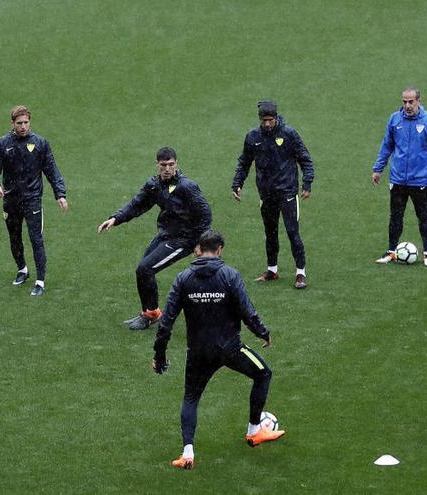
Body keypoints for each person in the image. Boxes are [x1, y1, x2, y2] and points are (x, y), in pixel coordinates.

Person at [153, 230, 284, 469]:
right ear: (220, 249)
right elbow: (247, 311)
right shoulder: (230, 275)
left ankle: (188, 452)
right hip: (230, 348)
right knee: (263, 373)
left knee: (191, 398)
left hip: (198, 353)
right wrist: (262, 332)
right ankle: (255, 430)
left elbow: (166, 322)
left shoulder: (183, 278)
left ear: (199, 249)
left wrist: (159, 356)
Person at [97, 147, 212, 330]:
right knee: (142, 270)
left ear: (176, 164)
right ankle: (151, 313)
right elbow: (136, 204)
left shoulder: (187, 186)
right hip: (166, 235)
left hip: (184, 240)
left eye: (171, 164)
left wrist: (200, 244)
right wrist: (115, 218)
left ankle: (150, 314)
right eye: (163, 165)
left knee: (146, 268)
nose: (167, 169)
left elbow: (205, 216)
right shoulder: (154, 185)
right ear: (157, 164)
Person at [0, 105, 68, 296]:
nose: (23, 127)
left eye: (26, 123)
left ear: (29, 122)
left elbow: (52, 170)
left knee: (36, 239)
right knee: (14, 238)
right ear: (12, 123)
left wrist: (60, 194)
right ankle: (22, 269)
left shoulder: (40, 143)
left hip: (32, 200)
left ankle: (40, 280)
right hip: (11, 200)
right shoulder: (2, 144)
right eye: (19, 123)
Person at [232, 100, 314, 289]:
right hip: (266, 194)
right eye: (264, 120)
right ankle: (272, 270)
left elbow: (305, 159)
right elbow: (244, 162)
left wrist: (307, 183)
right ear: (259, 119)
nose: (267, 124)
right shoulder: (253, 136)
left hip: (287, 193)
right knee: (270, 233)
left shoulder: (289, 134)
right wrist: (237, 183)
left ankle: (300, 273)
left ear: (276, 118)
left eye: (270, 120)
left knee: (293, 233)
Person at [371, 87, 427, 266]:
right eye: (404, 102)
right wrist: (378, 169)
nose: (407, 105)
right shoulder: (394, 119)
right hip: (397, 179)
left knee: (424, 216)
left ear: (419, 100)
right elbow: (387, 146)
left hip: (420, 180)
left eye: (411, 101)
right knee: (395, 216)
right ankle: (391, 251)